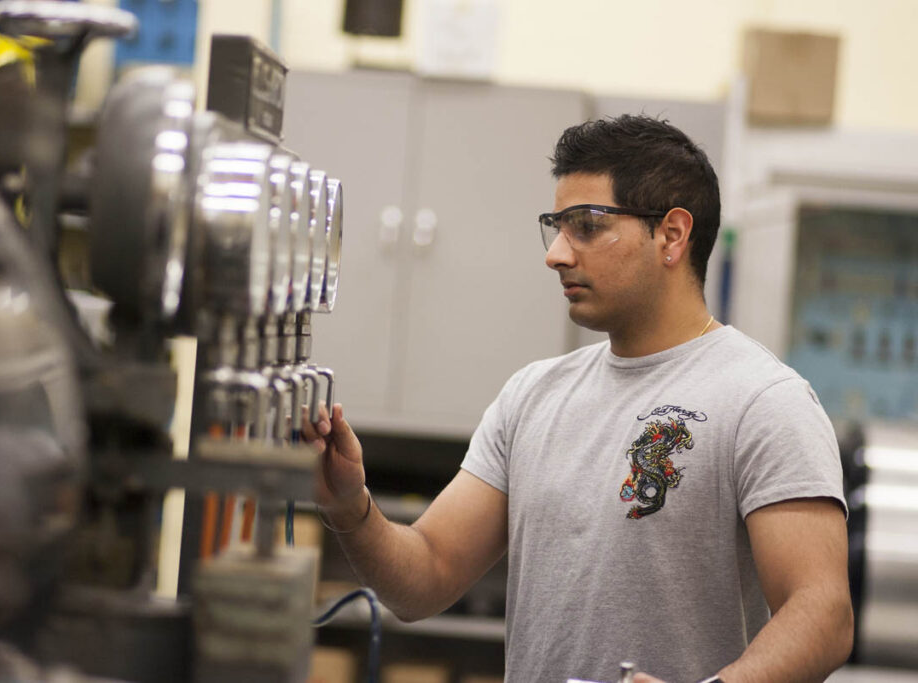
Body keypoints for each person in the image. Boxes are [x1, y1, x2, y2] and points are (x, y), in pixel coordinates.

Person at [301, 115, 852, 683]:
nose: (557, 254)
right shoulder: (532, 396)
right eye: (557, 227)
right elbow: (424, 580)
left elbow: (823, 613)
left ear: (671, 235)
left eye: (586, 226)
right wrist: (349, 506)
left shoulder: (764, 400)